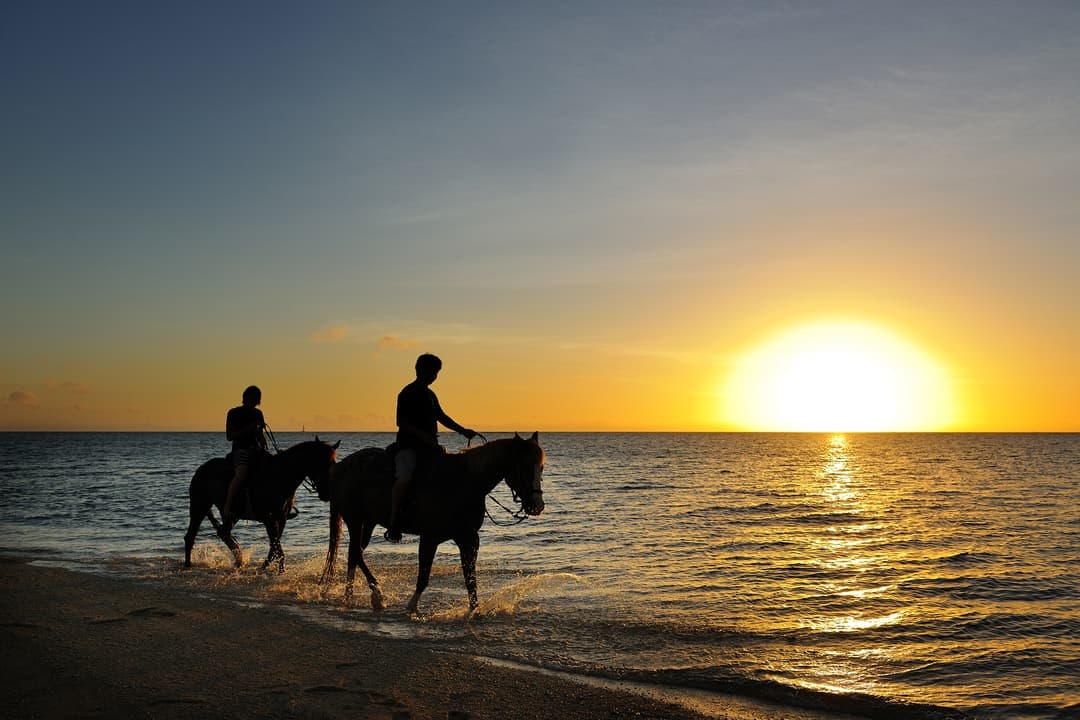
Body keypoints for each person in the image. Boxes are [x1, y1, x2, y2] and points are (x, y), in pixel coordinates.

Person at [385, 353, 476, 542]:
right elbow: (400, 421)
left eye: (436, 373)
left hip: (429, 449)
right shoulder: (407, 393)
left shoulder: (430, 394)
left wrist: (462, 430)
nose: (434, 376)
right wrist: (423, 436)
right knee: (405, 477)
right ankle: (394, 521)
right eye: (432, 372)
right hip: (408, 447)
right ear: (420, 370)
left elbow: (442, 417)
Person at [223, 385, 268, 528]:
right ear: (246, 397)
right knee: (241, 473)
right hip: (240, 450)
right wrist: (250, 427)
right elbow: (230, 437)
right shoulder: (233, 413)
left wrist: (263, 445)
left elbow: (261, 435)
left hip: (256, 450)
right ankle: (227, 506)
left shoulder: (258, 413)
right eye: (254, 398)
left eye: (258, 399)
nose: (256, 401)